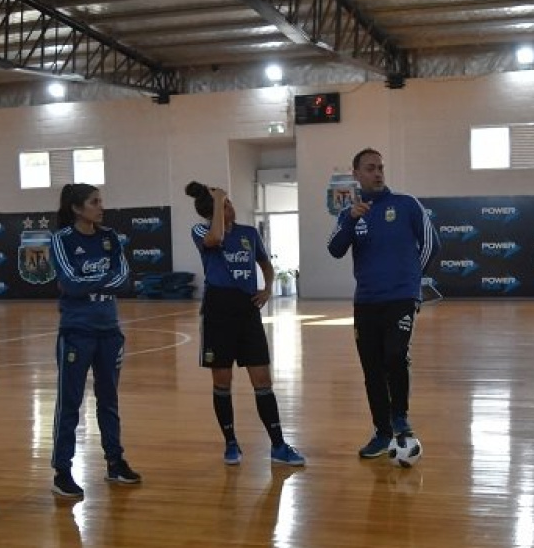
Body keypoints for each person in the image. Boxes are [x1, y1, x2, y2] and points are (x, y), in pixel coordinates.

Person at [327, 148, 439, 458]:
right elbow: (334, 249)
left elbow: (431, 243)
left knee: (395, 354)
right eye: (370, 168)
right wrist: (351, 219)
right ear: (356, 174)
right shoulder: (350, 214)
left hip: (401, 298)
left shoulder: (406, 204)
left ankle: (400, 417)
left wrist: (411, 282)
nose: (377, 173)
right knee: (372, 368)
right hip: (366, 302)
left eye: (380, 167)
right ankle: (382, 432)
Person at [186, 181, 305, 467]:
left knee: (262, 380)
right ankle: (230, 443)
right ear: (214, 211)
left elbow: (265, 264)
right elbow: (215, 237)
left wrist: (267, 289)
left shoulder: (249, 234)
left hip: (247, 312)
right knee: (222, 381)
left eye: (228, 203)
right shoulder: (201, 231)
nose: (231, 208)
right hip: (217, 313)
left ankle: (278, 446)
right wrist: (217, 202)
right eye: (225, 205)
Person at [49, 183, 141, 498]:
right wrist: (103, 281)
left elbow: (124, 280)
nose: (101, 207)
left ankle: (115, 462)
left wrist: (89, 282)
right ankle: (62, 471)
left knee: (109, 400)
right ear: (77, 208)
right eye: (94, 202)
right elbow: (69, 283)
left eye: (101, 201)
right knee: (70, 403)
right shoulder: (61, 239)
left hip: (109, 332)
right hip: (77, 332)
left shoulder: (110, 237)